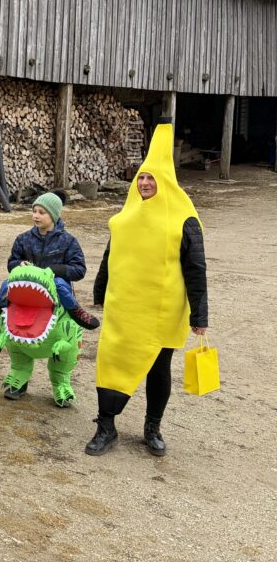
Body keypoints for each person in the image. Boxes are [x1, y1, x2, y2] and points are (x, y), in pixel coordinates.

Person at [85, 118, 208, 458]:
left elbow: (196, 268)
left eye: (152, 178)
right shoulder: (126, 215)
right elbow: (111, 255)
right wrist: (100, 290)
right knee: (111, 361)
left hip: (163, 310)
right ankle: (106, 427)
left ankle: (152, 428)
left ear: (165, 181)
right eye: (141, 177)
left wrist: (200, 315)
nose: (145, 183)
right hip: (125, 306)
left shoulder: (185, 218)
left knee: (158, 369)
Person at [0, 191, 100, 329]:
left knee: (59, 283)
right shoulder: (23, 239)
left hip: (55, 285)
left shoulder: (68, 241)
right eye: (34, 211)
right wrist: (19, 264)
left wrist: (53, 270)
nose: (35, 216)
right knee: (7, 283)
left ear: (53, 215)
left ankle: (76, 311)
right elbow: (11, 263)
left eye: (41, 212)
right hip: (29, 282)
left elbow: (79, 270)